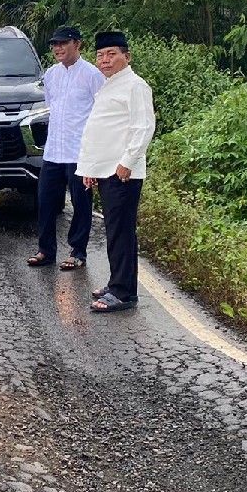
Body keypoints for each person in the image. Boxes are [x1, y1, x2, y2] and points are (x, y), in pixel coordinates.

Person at [77, 30, 156, 312]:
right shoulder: (110, 85)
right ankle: (118, 283)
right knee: (114, 230)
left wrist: (127, 162)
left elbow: (144, 127)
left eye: (112, 54)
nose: (105, 60)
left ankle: (123, 293)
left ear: (126, 56)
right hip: (106, 169)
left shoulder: (135, 86)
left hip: (122, 172)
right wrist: (90, 168)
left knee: (121, 232)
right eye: (100, 55)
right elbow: (101, 131)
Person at [27, 26, 107, 271]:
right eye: (55, 45)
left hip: (79, 151)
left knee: (81, 204)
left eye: (63, 43)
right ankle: (45, 250)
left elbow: (101, 113)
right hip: (53, 151)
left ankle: (78, 252)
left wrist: (95, 155)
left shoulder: (93, 75)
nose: (58, 48)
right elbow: (52, 107)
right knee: (46, 202)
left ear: (78, 44)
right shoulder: (51, 74)